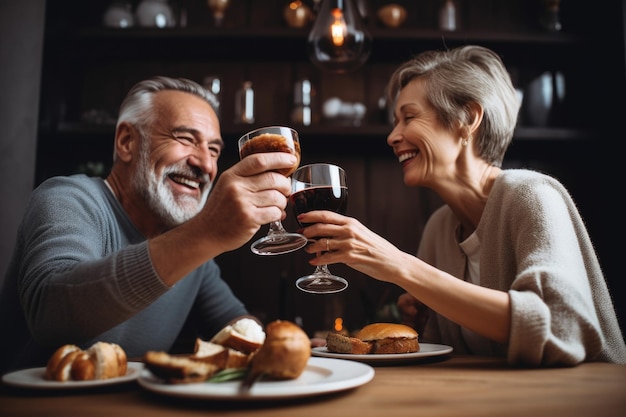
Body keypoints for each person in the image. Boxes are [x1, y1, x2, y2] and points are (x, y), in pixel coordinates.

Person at [297, 45, 626, 367]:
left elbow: (560, 329)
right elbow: (444, 353)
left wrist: (401, 266)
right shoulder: (439, 227)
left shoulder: (533, 195)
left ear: (467, 118)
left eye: (408, 117)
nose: (392, 136)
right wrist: (417, 318)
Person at [0, 76, 298, 374]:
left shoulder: (192, 251)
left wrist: (277, 345)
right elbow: (50, 313)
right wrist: (206, 232)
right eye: (185, 138)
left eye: (214, 150)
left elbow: (237, 325)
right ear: (126, 142)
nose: (205, 165)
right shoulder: (68, 199)